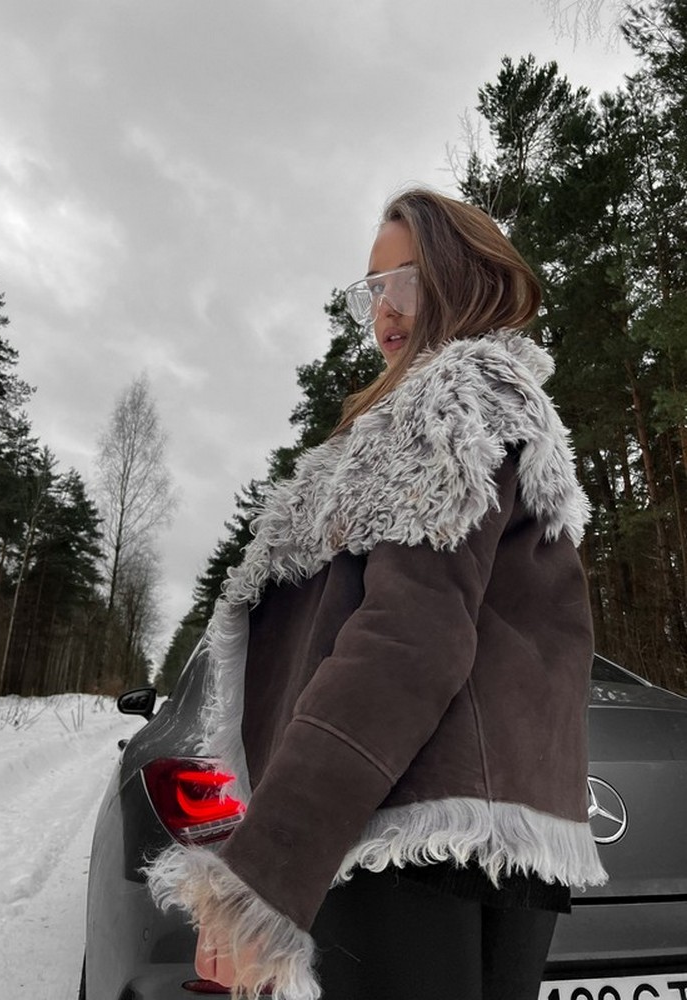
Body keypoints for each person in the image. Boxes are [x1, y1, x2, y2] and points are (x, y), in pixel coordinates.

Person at [147, 187, 607, 1000]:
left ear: (466, 280)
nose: (385, 309)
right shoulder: (485, 411)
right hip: (485, 843)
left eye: (410, 280)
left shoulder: (450, 399)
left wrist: (262, 878)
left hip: (404, 837)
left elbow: (409, 640)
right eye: (373, 288)